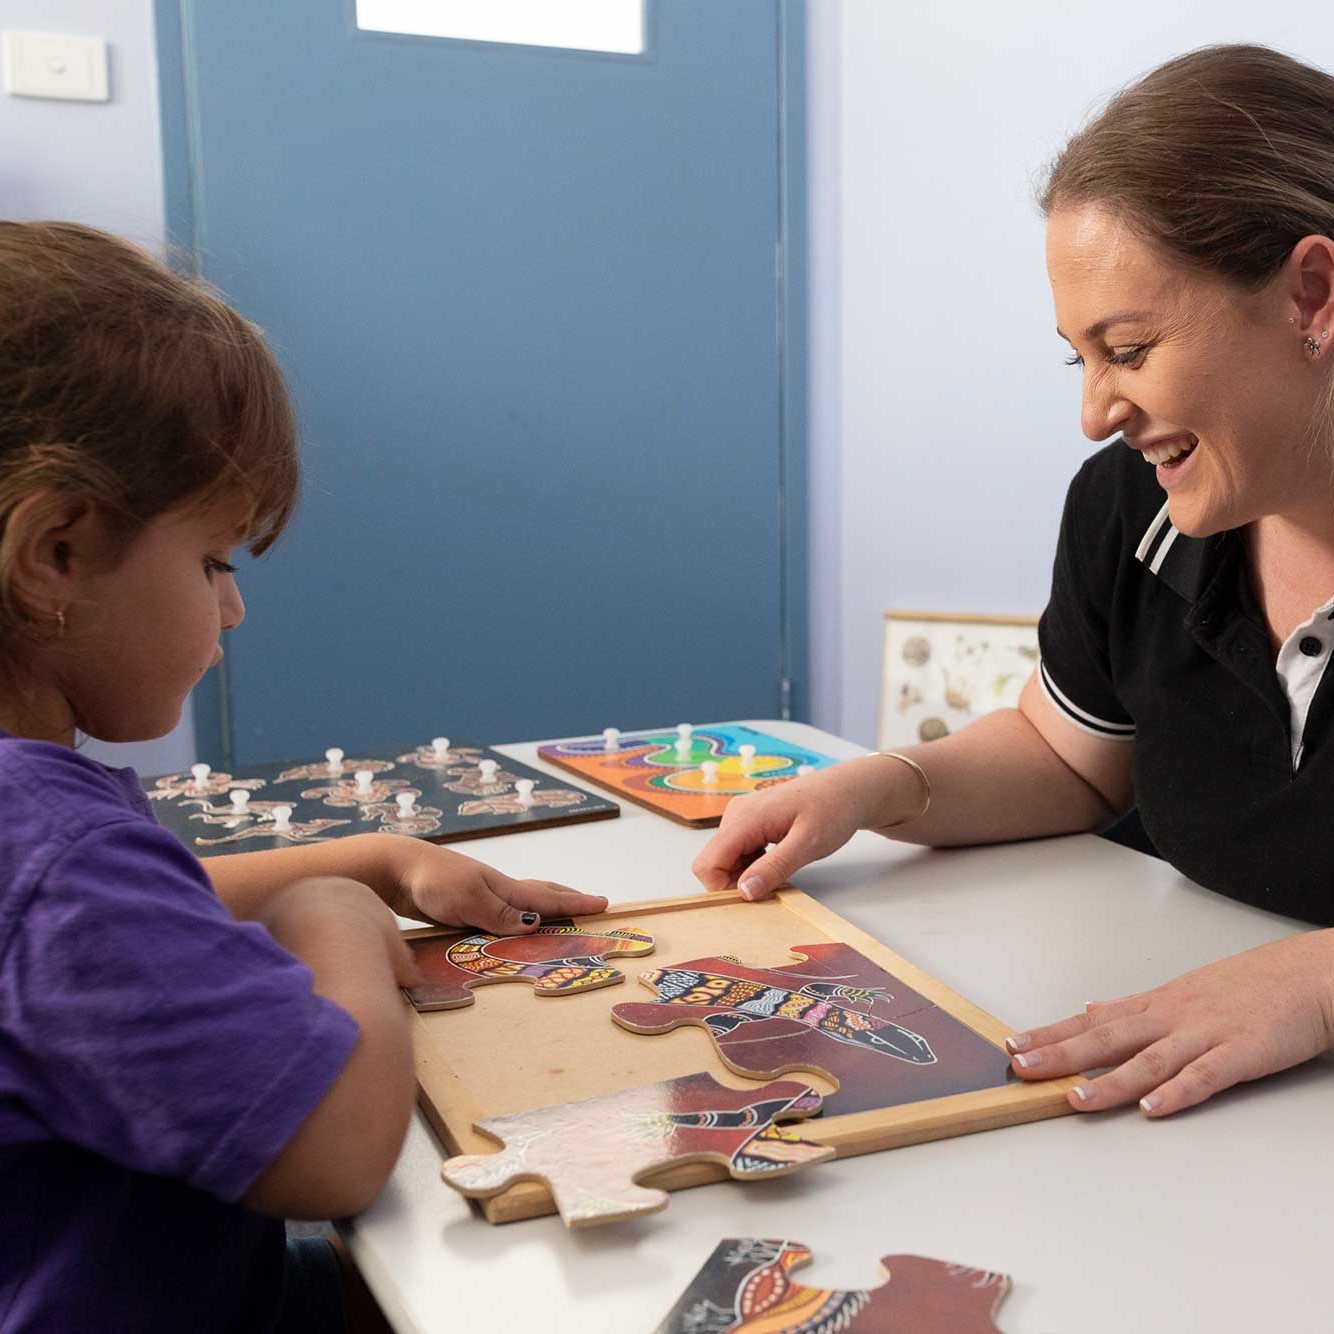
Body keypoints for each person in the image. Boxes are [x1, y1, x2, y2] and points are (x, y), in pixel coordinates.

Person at [694, 43, 1334, 1124]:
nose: (1094, 410)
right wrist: (880, 785)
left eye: (1126, 348)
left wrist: (1314, 982)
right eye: (1075, 359)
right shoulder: (1133, 511)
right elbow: (1067, 758)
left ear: (1311, 295)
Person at [0, 221, 607, 1332]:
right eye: (214, 559)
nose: (231, 605)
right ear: (56, 553)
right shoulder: (59, 856)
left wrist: (368, 856)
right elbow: (331, 1155)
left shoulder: (33, 837)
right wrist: (330, 918)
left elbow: (99, 929)